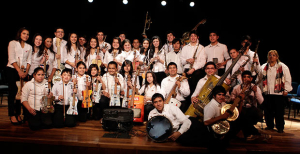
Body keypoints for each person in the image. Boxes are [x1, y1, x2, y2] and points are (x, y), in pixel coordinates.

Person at [259, 50, 292, 133]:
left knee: (279, 111)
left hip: (278, 93)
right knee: (268, 110)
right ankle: (269, 125)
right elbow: (259, 79)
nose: (272, 57)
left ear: (277, 57)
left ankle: (280, 127)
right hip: (267, 92)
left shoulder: (283, 67)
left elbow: (288, 79)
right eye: (270, 55)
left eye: (274, 55)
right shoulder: (264, 66)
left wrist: (286, 89)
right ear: (268, 57)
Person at [6, 27, 32, 124]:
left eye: (27, 34)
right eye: (24, 33)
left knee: (20, 93)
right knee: (13, 92)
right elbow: (12, 59)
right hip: (12, 70)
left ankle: (18, 114)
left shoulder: (29, 46)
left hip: (23, 71)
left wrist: (26, 72)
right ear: (20, 34)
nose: (26, 36)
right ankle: (12, 114)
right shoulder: (12, 43)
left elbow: (29, 61)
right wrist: (19, 71)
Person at [230, 71, 264, 139]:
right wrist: (238, 98)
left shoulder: (255, 87)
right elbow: (232, 98)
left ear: (251, 79)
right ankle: (253, 133)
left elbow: (261, 101)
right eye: (244, 77)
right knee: (243, 115)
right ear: (242, 78)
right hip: (240, 108)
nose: (246, 79)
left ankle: (249, 133)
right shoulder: (237, 87)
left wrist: (256, 91)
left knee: (249, 115)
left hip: (251, 108)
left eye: (248, 77)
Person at [180, 30, 206, 94]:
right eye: (191, 36)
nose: (193, 37)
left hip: (197, 71)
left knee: (195, 90)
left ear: (197, 37)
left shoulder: (201, 47)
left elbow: (203, 62)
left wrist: (193, 68)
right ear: (189, 37)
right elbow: (181, 61)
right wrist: (187, 60)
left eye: (195, 36)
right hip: (187, 71)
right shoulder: (185, 48)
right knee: (186, 90)